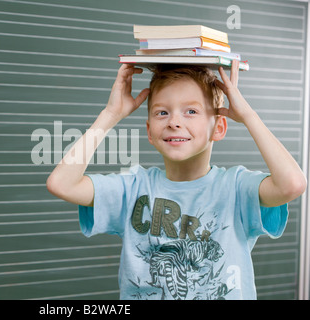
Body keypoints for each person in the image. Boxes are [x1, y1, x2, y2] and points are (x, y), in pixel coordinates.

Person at [46, 60, 307, 300]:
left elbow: (292, 184)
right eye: (161, 113)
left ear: (219, 127)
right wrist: (110, 114)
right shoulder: (133, 188)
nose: (174, 122)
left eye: (191, 111)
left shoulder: (236, 187)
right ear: (149, 131)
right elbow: (62, 184)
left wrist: (249, 116)